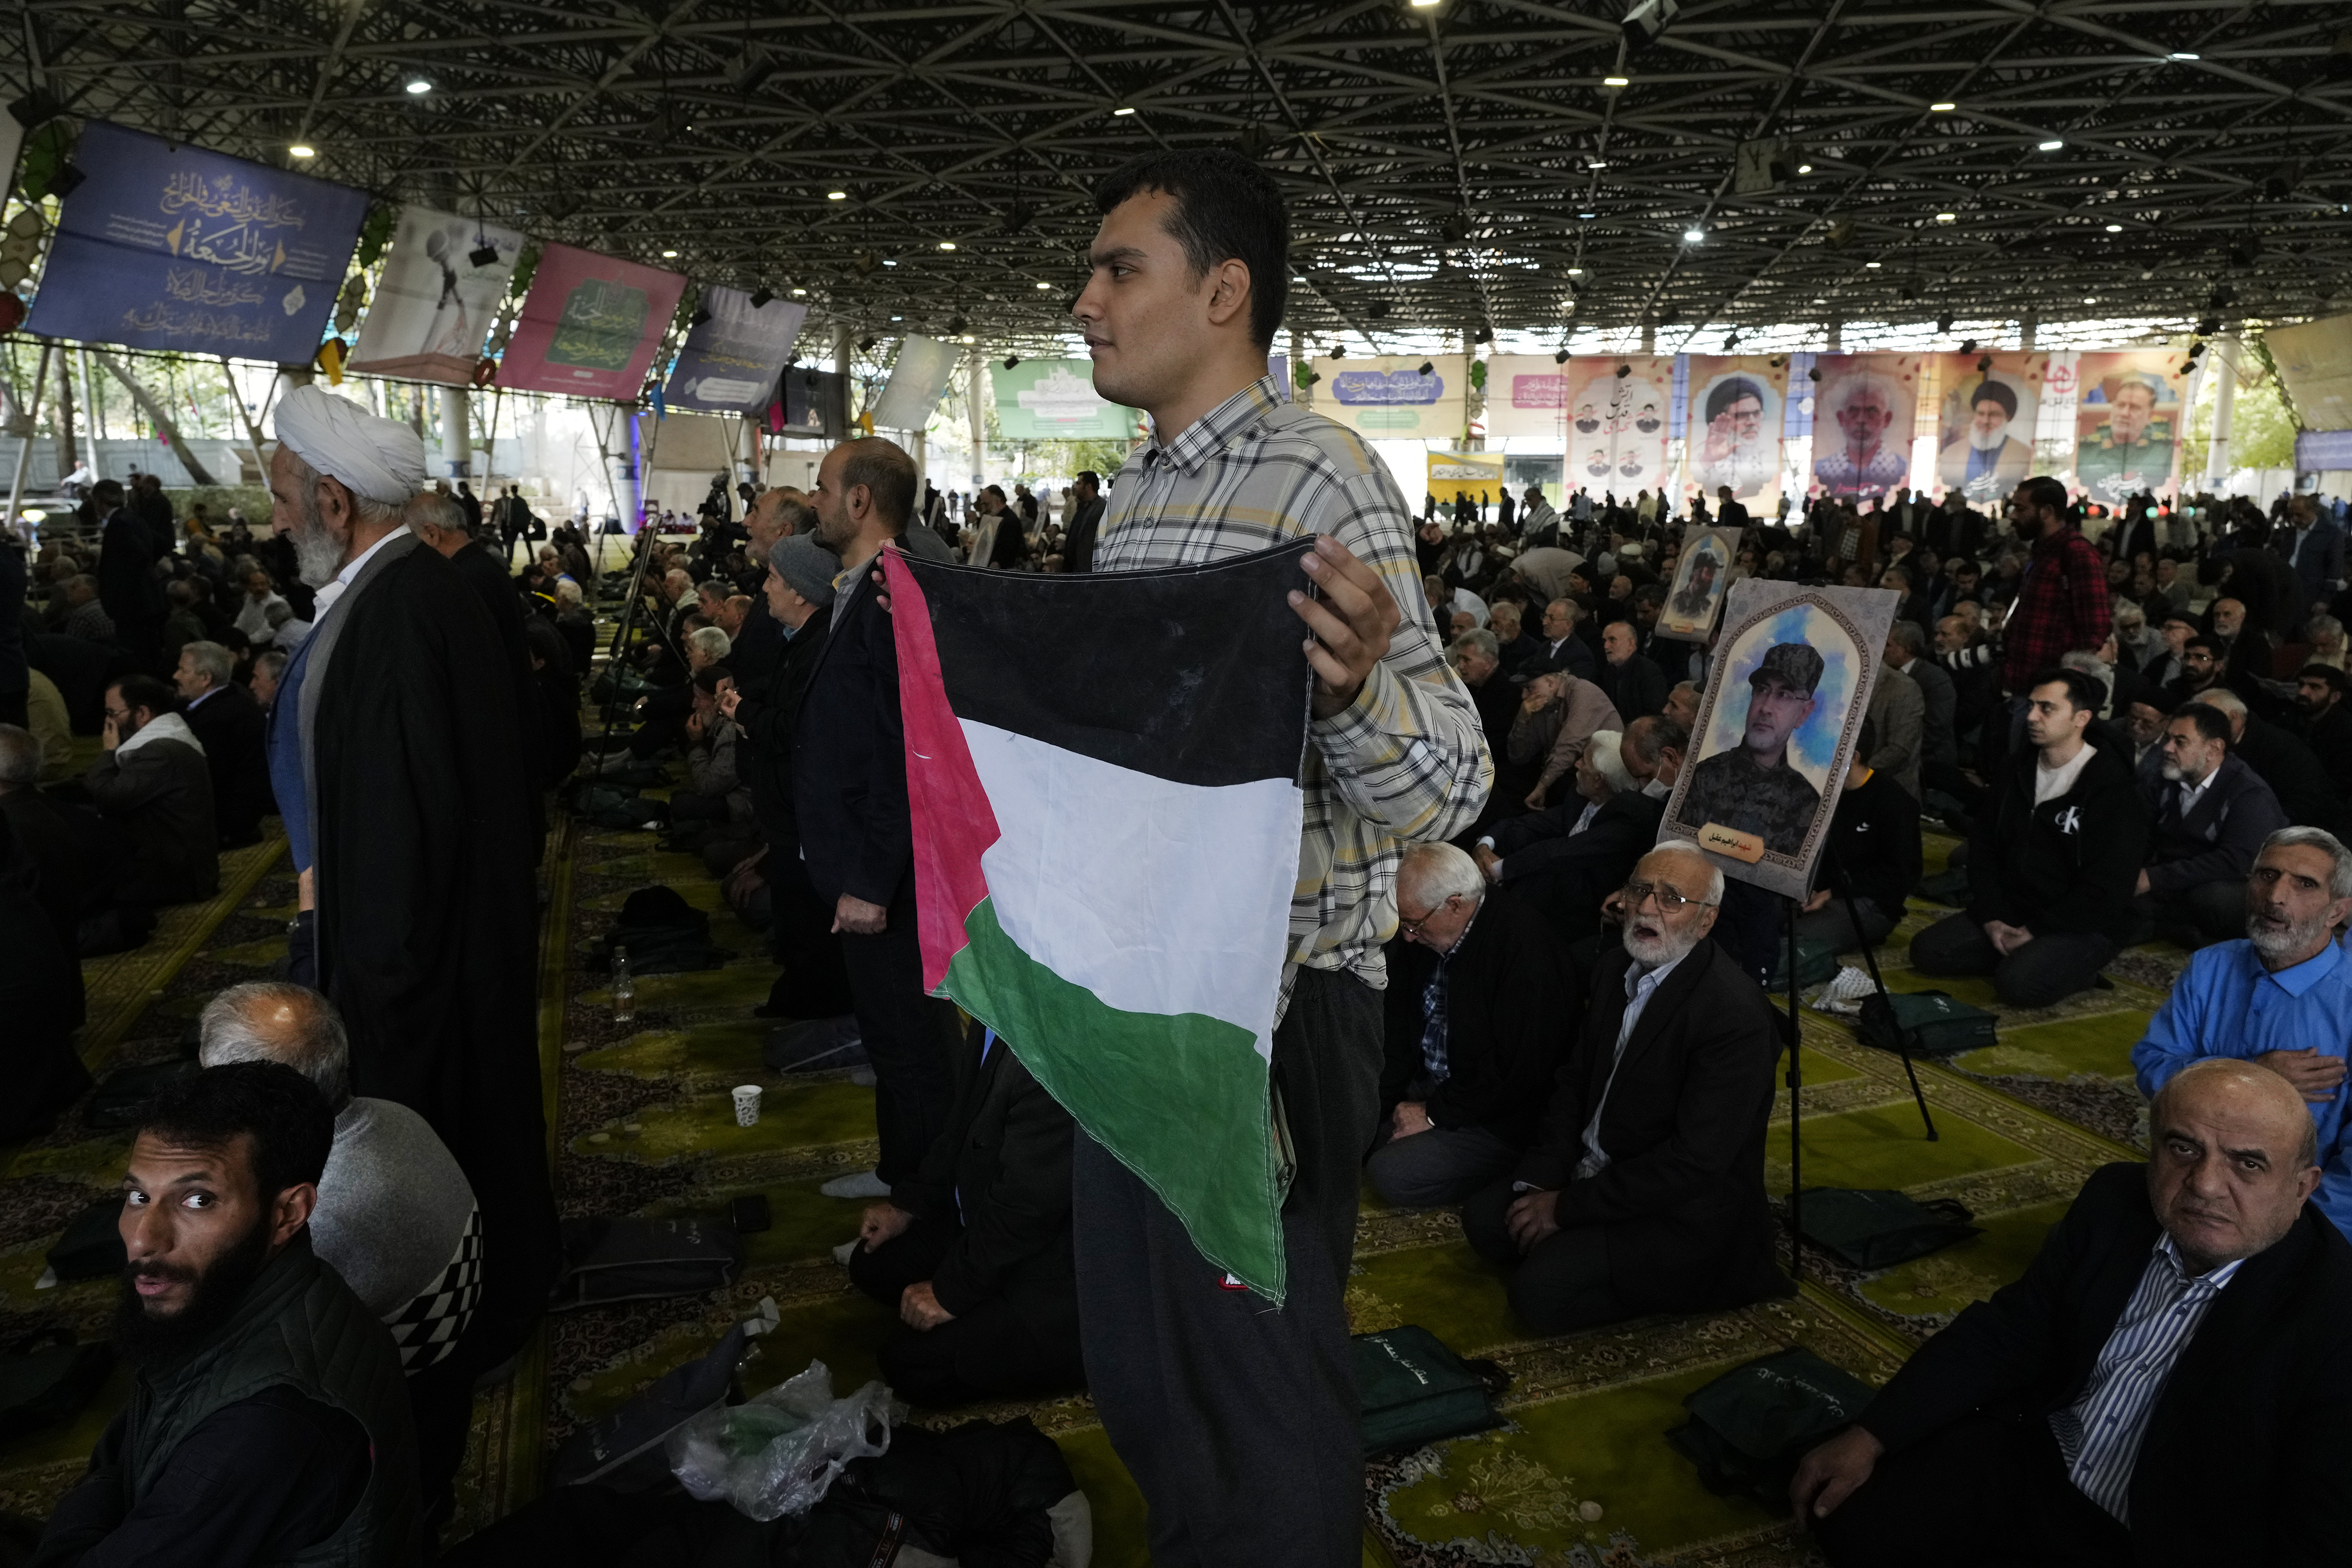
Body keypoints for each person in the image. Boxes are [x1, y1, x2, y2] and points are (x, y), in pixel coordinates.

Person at [1066, 147, 1489, 1566]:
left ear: (1224, 290)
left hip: (1276, 1009)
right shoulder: (1136, 499)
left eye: (1120, 268)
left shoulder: (1321, 475)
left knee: (1258, 1384)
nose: (1084, 303)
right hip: (1145, 1002)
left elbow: (1450, 779)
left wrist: (1367, 683)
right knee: (1149, 1364)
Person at [264, 384, 555, 1378]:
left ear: (334, 503)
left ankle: (455, 1313)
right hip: (453, 947)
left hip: (418, 973)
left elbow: (398, 841)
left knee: (432, 1145)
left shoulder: (397, 615)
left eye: (282, 494)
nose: (275, 518)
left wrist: (371, 999)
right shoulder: (410, 593)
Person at [1792, 1057, 2352, 1567]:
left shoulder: (2334, 1317)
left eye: (2247, 1163)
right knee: (1844, 1514)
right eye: (2183, 1148)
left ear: (2302, 1188)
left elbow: (2316, 1522)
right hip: (2044, 1456)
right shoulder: (2116, 1201)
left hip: (2163, 1534)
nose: (2205, 1184)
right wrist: (1873, 1432)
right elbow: (2013, 1329)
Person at [32, 1063, 421, 1566]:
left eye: (197, 1200)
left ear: (288, 1213)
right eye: (137, 1197)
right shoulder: (253, 1295)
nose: (143, 1238)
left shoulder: (263, 1427)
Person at [1461, 841, 1787, 1332]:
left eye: (1672, 899)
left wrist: (1566, 1209)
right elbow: (1573, 1083)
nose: (1648, 908)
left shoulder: (1735, 1018)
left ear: (1707, 920)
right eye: (1641, 891)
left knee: (1539, 1298)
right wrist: (1544, 1177)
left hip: (1674, 1207)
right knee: (1486, 1222)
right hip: (1596, 1170)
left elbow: (1693, 1163)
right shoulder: (1616, 968)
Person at [195, 983, 483, 1523]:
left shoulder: (319, 1209)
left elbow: (236, 1342)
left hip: (386, 1436)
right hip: (445, 1393)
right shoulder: (394, 1115)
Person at [793, 437, 963, 1201]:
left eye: (824, 487)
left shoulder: (897, 592)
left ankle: (930, 1212)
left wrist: (868, 880)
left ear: (860, 500)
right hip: (869, 867)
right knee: (896, 1041)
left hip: (888, 880)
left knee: (912, 1047)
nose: (815, 501)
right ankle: (906, 1179)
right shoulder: (865, 586)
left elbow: (907, 754)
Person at [2129, 827, 2352, 1246]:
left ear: (2337, 911)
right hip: (2191, 1185)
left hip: (2300, 1214)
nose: (2276, 897)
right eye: (2267, 876)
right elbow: (2152, 1062)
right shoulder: (2210, 967)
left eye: (2304, 884)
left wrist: (2301, 1236)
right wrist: (2250, 1074)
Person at [847, 1020, 1083, 1406]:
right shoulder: (996, 1003)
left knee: (909, 1366)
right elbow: (961, 1127)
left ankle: (1077, 1356)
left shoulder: (1058, 1046)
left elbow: (1027, 1209)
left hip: (1049, 1266)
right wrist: (910, 1204)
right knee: (872, 1263)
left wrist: (951, 1292)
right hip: (983, 1219)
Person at [1912, 669, 2148, 1006]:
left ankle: (2071, 967)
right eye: (2032, 706)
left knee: (2018, 987)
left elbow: (2107, 886)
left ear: (2081, 718)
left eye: (2047, 708)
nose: (2032, 717)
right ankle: (2027, 955)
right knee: (1929, 952)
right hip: (2014, 907)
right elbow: (1984, 849)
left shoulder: (2114, 791)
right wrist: (1993, 916)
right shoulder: (2017, 770)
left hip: (2080, 922)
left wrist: (2036, 930)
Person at [1368, 845, 1572, 1207]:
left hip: (1495, 1113)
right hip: (1436, 1083)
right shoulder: (1429, 934)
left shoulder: (1525, 948)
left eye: (1414, 923)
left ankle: (1502, 1175)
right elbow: (1400, 1030)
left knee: (1391, 1173)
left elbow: (1518, 1072)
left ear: (1456, 905)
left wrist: (1432, 1114)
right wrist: (1384, 1104)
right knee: (1345, 1129)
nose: (1409, 936)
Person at [2138, 702, 2288, 944]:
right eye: (2167, 738)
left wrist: (2155, 878)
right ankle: (2172, 926)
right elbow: (2141, 830)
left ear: (2214, 748)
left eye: (2180, 741)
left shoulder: (2249, 794)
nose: (2167, 748)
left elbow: (2235, 862)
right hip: (2177, 875)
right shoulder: (2166, 776)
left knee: (2211, 898)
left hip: (2228, 884)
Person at [1678, 642, 1823, 856]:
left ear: (1803, 713)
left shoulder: (1806, 803)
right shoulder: (1703, 776)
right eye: (1762, 690)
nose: (1765, 708)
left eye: (1784, 695)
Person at [87, 674, 218, 908]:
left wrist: (107, 752)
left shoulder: (159, 752)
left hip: (176, 874)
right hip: (175, 858)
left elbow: (108, 797)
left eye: (112, 714)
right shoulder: (165, 740)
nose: (109, 722)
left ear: (142, 714)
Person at [1797, 720, 1923, 950]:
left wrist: (1833, 893)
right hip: (1825, 891)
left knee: (1798, 941)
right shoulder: (1825, 793)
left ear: (1853, 757)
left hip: (1871, 901)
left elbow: (1899, 873)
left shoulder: (1893, 803)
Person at [2001, 476, 2113, 698]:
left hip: (2050, 692)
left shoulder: (2076, 552)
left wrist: (2065, 690)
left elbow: (2095, 629)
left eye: (2020, 509)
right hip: (2022, 684)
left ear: (2047, 511)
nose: (2013, 516)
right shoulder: (2043, 551)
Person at [172, 640, 271, 848]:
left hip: (228, 818)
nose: (176, 676)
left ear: (205, 679)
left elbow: (206, 779)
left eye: (182, 670)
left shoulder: (216, 720)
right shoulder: (232, 696)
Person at [2074, 373, 2176, 509]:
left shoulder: (2165, 450)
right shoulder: (2086, 448)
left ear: (2150, 415)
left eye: (2134, 407)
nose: (2124, 413)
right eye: (2120, 405)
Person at [1935, 379, 2033, 501]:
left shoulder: (2024, 455)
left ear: (2007, 417)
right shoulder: (1950, 454)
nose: (1985, 421)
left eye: (1994, 415)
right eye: (1981, 414)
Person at [2295, 663, 2352, 806]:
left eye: (2314, 687)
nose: (2303, 692)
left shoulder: (2346, 733)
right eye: (2301, 685)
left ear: (2335, 697)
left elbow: (2339, 786)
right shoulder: (2290, 717)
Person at [1595, 616, 1667, 720]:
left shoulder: (1648, 671)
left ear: (1631, 644)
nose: (1606, 646)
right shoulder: (1609, 670)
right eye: (1605, 641)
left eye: (1612, 640)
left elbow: (1654, 715)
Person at [1060, 469, 1104, 574]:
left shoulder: (1101, 508)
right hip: (1075, 570)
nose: (1075, 487)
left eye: (1079, 483)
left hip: (1087, 571)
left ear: (1088, 487)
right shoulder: (1083, 507)